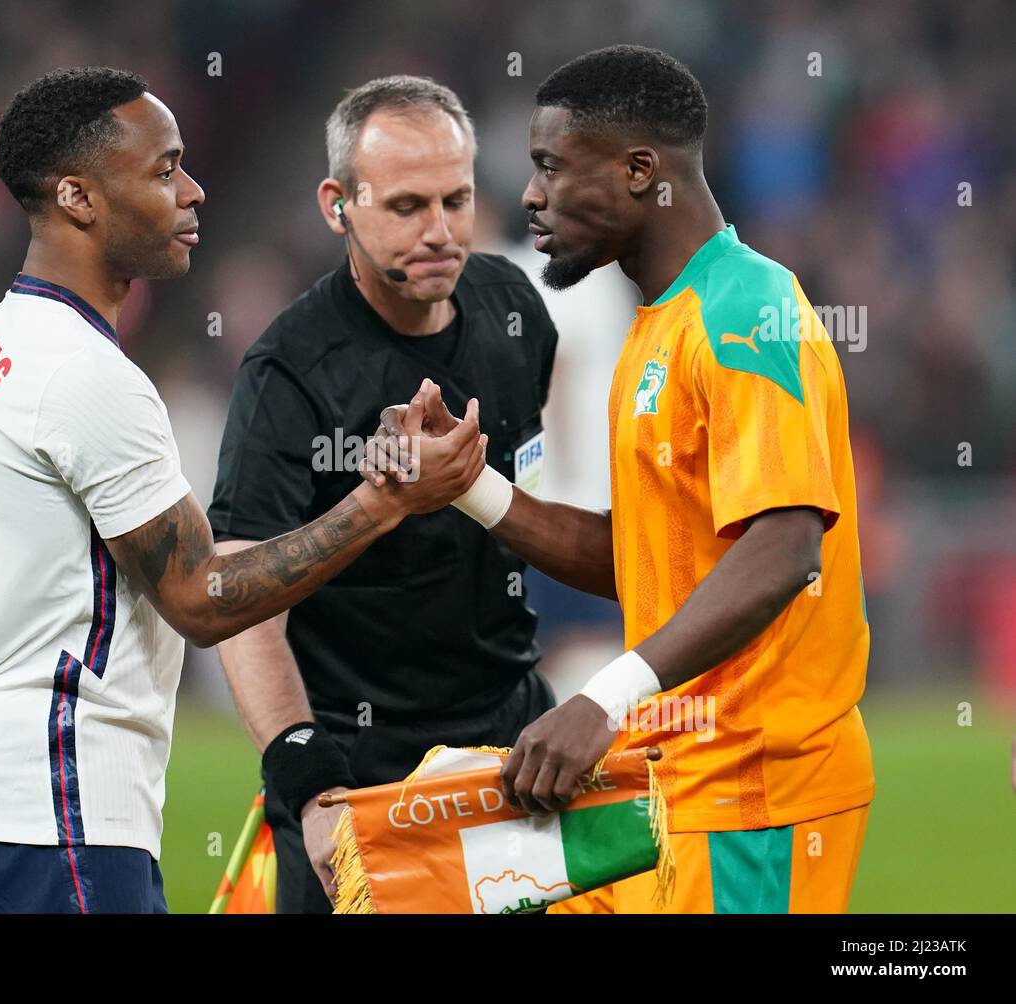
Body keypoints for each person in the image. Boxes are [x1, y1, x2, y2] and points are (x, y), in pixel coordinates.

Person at [0, 66, 487, 914]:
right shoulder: (85, 375)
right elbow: (201, 597)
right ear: (78, 196)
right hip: (62, 813)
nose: (193, 190)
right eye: (163, 169)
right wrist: (385, 501)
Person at [373, 46, 874, 914]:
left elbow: (786, 543)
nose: (530, 195)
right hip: (673, 777)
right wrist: (470, 487)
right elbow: (645, 559)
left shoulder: (746, 310)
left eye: (550, 167)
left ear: (641, 171)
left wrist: (603, 697)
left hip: (759, 794)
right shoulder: (658, 326)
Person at [206, 76, 559, 913]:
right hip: (356, 777)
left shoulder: (517, 312)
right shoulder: (289, 374)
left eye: (457, 199)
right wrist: (309, 780)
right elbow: (242, 595)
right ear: (339, 205)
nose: (440, 232)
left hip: (508, 754)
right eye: (406, 206)